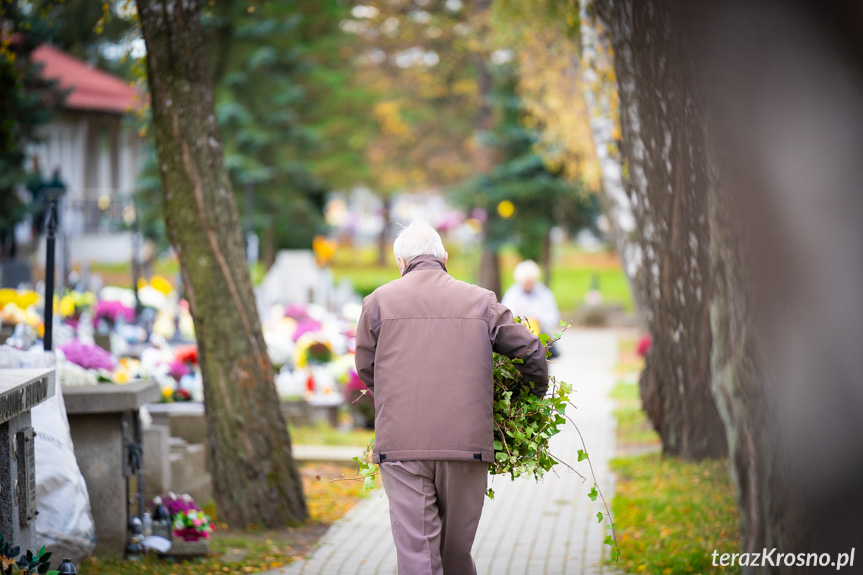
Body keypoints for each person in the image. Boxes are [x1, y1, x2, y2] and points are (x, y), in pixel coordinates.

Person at [355, 220, 548, 575]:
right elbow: (532, 350)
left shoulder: (377, 302)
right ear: (444, 257)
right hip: (466, 445)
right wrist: (530, 397)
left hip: (402, 446)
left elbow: (366, 369)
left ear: (400, 261)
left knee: (418, 554)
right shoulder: (481, 300)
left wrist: (397, 400)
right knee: (456, 555)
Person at [501, 259, 561, 339]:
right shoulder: (512, 294)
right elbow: (505, 318)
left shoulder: (544, 293)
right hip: (517, 335)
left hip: (541, 334)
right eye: (525, 282)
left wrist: (539, 320)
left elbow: (554, 317)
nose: (528, 285)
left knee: (552, 348)